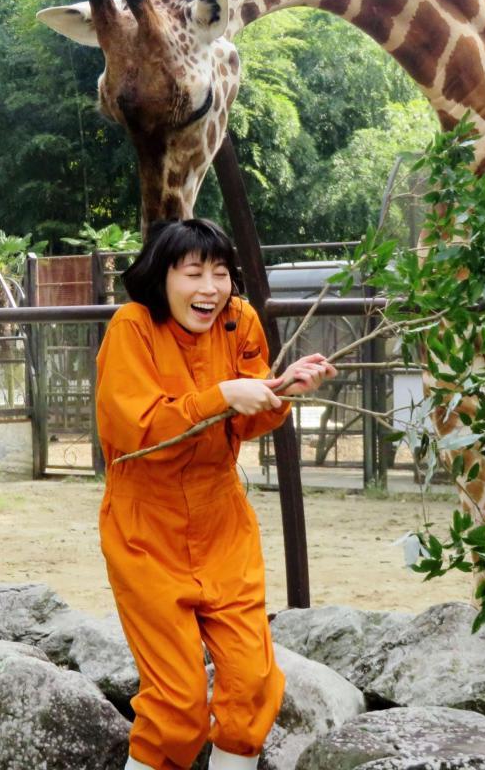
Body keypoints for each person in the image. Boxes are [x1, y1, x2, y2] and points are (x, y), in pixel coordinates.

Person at [95, 218, 335, 770]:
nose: (210, 288)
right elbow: (141, 433)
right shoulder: (131, 327)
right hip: (145, 529)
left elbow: (246, 421)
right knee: (176, 706)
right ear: (162, 277)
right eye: (194, 272)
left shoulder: (239, 320)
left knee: (251, 685)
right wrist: (221, 394)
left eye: (221, 272)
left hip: (222, 518)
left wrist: (281, 391)